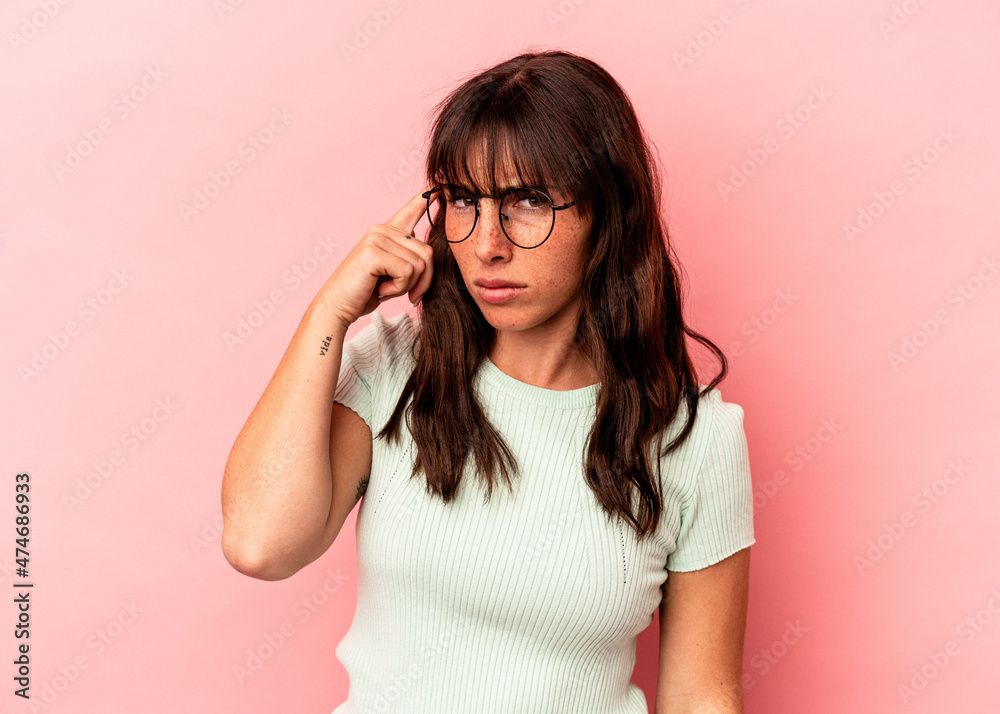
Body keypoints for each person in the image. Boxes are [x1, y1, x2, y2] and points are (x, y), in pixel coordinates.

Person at [221, 49, 755, 714]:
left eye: (529, 201)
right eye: (465, 201)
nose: (486, 244)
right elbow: (259, 544)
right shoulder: (394, 368)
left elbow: (700, 695)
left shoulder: (696, 439)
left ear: (608, 216)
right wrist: (328, 313)